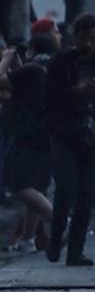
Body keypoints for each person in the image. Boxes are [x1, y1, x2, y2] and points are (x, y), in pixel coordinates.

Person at [44, 14, 95, 266]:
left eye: (92, 38)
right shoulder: (62, 62)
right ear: (75, 37)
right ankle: (56, 240)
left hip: (93, 135)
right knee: (66, 188)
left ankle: (75, 251)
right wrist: (74, 93)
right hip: (65, 133)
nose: (88, 43)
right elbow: (49, 98)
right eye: (83, 38)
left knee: (86, 194)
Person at [0, 34, 59, 252]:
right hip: (45, 136)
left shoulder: (32, 70)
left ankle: (62, 223)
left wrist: (6, 58)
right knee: (34, 188)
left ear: (33, 49)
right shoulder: (47, 69)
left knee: (18, 187)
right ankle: (27, 239)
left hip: (28, 137)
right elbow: (14, 94)